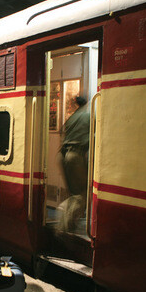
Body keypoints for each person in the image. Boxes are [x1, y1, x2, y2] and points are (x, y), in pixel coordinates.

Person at [58, 96, 90, 232]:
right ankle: (63, 228)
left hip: (63, 155)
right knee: (82, 194)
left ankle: (65, 225)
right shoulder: (88, 116)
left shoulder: (73, 117)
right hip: (75, 155)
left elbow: (62, 132)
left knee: (74, 193)